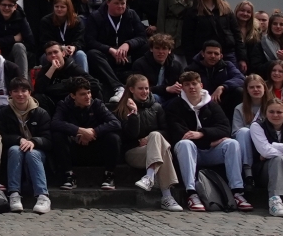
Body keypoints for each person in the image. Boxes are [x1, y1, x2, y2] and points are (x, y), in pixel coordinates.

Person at [163, 70, 252, 213]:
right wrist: (209, 142)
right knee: (185, 144)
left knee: (232, 144)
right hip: (190, 152)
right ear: (183, 88)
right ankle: (191, 193)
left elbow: (224, 128)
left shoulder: (212, 105)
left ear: (201, 85)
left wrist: (202, 134)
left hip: (210, 151)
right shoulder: (174, 106)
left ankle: (237, 191)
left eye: (194, 84)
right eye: (187, 84)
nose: (191, 87)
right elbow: (180, 134)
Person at [115, 72, 181, 211]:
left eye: (146, 88)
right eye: (141, 88)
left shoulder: (157, 107)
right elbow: (128, 136)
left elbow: (166, 131)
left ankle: (150, 177)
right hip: (134, 152)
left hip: (154, 149)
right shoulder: (121, 109)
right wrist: (134, 113)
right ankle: (167, 196)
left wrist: (149, 139)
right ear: (132, 89)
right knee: (162, 148)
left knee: (156, 136)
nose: (145, 91)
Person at [49, 81, 122, 191]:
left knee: (113, 137)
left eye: (89, 93)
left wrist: (94, 132)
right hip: (74, 148)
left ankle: (109, 176)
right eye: (83, 94)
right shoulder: (64, 105)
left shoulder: (97, 104)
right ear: (73, 96)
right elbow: (55, 123)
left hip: (95, 147)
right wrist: (79, 131)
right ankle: (69, 176)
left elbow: (115, 123)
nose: (87, 97)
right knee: (57, 135)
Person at [0, 78, 52, 213]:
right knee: (15, 150)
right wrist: (19, 139)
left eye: (24, 91)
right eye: (16, 91)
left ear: (30, 93)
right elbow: (1, 136)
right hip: (14, 153)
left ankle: (43, 196)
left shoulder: (41, 113)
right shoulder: (4, 113)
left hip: (37, 153)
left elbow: (49, 139)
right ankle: (14, 193)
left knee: (32, 153)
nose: (20, 94)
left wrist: (34, 141)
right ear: (10, 93)